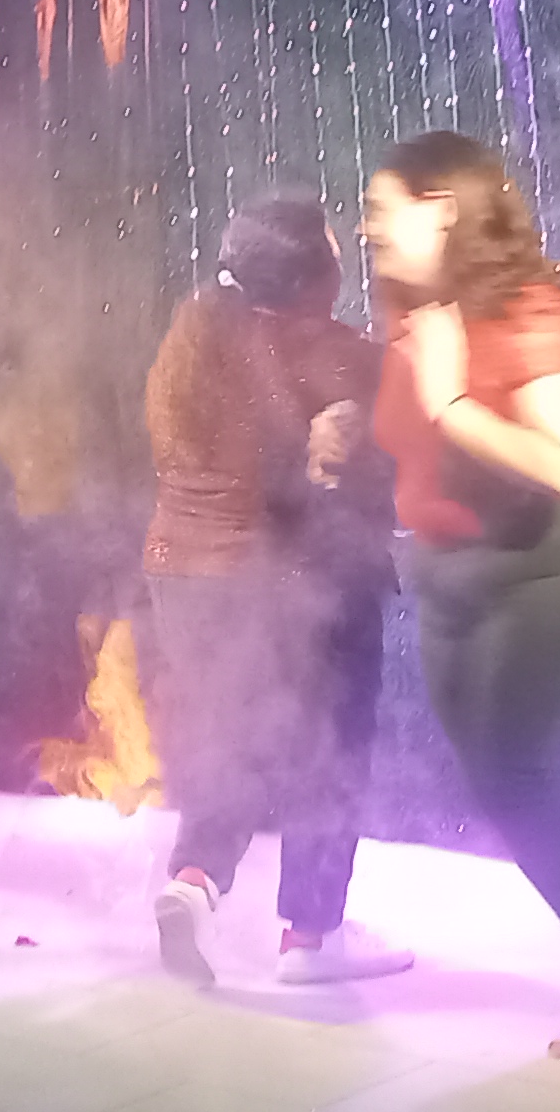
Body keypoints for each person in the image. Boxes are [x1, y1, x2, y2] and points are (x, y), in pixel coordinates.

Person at [362, 132, 560, 1059]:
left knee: (509, 773)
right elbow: (419, 441)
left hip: (545, 568)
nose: (368, 226)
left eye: (382, 208)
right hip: (450, 574)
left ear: (441, 211)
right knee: (496, 781)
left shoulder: (524, 307)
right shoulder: (413, 312)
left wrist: (455, 404)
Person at [141, 196, 412, 988]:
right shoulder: (336, 354)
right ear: (314, 278)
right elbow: (392, 460)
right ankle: (313, 936)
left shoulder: (191, 339)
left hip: (180, 575)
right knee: (329, 746)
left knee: (229, 738)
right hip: (291, 581)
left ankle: (194, 882)